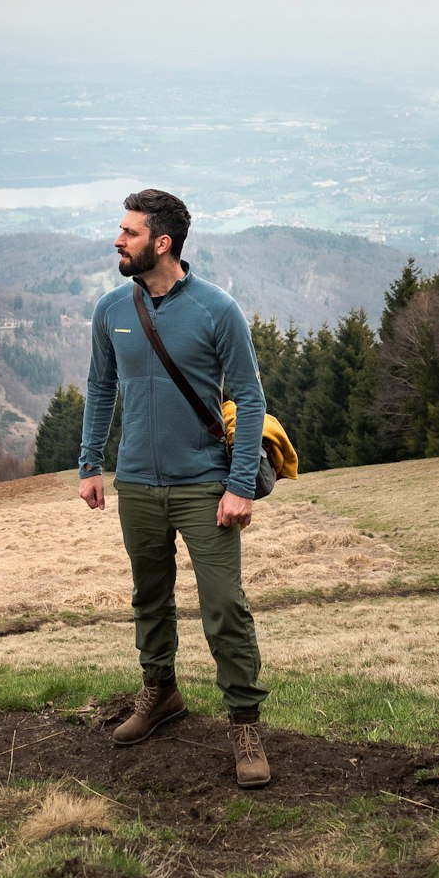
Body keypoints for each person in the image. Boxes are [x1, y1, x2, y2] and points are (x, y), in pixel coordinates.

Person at [78, 188, 271, 788]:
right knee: (149, 597)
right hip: (136, 482)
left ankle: (244, 722)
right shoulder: (112, 309)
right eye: (121, 230)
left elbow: (251, 398)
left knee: (224, 607)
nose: (118, 240)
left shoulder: (218, 310)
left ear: (161, 243)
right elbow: (100, 389)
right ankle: (160, 693)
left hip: (204, 485)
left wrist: (239, 485)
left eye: (130, 233)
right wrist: (90, 464)